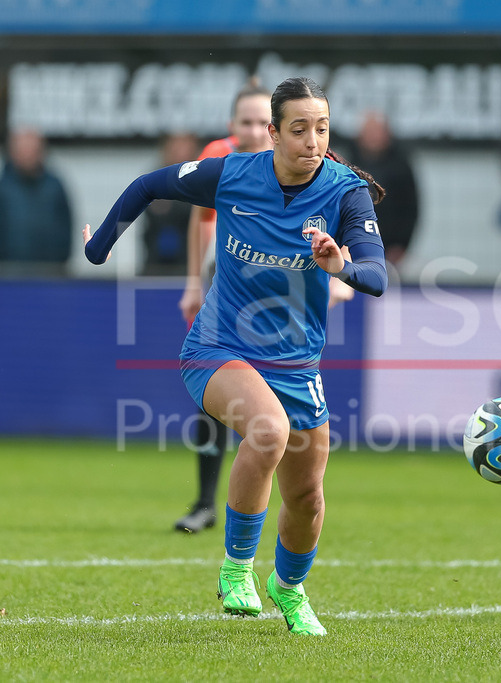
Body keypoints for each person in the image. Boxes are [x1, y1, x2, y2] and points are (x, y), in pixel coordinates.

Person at [84, 76, 388, 636]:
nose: (312, 140)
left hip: (298, 364)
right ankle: (235, 568)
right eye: (298, 129)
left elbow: (376, 276)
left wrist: (338, 266)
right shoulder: (233, 175)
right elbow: (147, 186)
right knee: (267, 431)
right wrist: (98, 246)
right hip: (217, 349)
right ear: (272, 134)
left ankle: (289, 589)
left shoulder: (347, 193)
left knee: (308, 498)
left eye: (321, 128)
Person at [172, 79, 275, 535]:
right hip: (228, 280)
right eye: (245, 122)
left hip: (280, 288)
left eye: (262, 122)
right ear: (231, 125)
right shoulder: (219, 156)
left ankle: (285, 502)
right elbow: (200, 216)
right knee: (215, 393)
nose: (254, 131)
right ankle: (205, 503)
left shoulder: (297, 157)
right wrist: (194, 283)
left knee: (280, 397)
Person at [344, 112, 419, 267]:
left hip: (390, 247)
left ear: (387, 134)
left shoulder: (401, 166)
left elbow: (411, 209)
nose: (373, 137)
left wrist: (402, 244)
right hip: (353, 245)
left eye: (377, 131)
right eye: (369, 131)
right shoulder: (347, 164)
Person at [0, 128, 73, 270]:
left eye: (32, 149)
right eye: (22, 149)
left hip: (50, 273)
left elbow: (66, 227)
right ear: (12, 151)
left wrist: (60, 262)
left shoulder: (55, 187)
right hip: (8, 274)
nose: (27, 154)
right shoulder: (3, 189)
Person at [141, 132, 200, 275]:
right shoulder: (154, 178)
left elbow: (196, 211)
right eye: (174, 147)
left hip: (191, 261)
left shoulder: (202, 179)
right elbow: (155, 211)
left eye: (184, 147)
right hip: (154, 262)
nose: (178, 152)